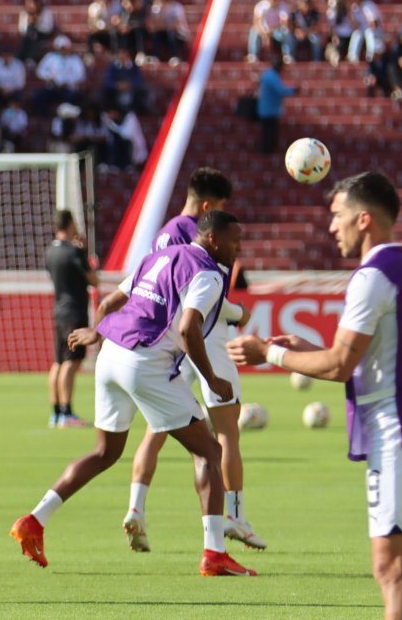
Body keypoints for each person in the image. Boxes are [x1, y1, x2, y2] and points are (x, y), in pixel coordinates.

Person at [228, 171, 402, 619]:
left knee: (390, 569)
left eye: (338, 216)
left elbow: (338, 366)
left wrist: (267, 351)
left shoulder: (372, 276)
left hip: (397, 433)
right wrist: (309, 350)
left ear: (364, 220)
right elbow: (367, 359)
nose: (332, 227)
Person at [10, 210, 256, 577]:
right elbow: (189, 329)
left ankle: (34, 519)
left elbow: (111, 302)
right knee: (208, 451)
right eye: (235, 241)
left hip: (111, 356)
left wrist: (97, 332)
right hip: (146, 363)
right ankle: (215, 554)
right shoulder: (206, 273)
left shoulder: (158, 256)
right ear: (213, 239)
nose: (239, 249)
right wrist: (213, 378)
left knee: (105, 452)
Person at [92, 168, 263, 552]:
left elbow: (144, 287)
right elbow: (203, 306)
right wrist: (238, 314)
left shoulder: (164, 235)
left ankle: (136, 507)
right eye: (219, 209)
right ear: (208, 209)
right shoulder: (202, 237)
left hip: (158, 343)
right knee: (225, 430)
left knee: (158, 429)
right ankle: (233, 517)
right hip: (201, 339)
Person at [45, 209, 98, 428]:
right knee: (71, 361)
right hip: (74, 311)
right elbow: (94, 280)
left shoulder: (50, 252)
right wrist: (85, 254)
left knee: (58, 362)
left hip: (58, 310)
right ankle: (67, 412)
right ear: (69, 224)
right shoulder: (74, 253)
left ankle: (56, 412)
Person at [257, 55, 297, 154]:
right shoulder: (272, 76)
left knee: (268, 131)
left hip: (266, 108)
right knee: (269, 132)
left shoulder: (267, 74)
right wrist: (293, 91)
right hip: (269, 110)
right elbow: (280, 90)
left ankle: (267, 149)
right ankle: (267, 151)